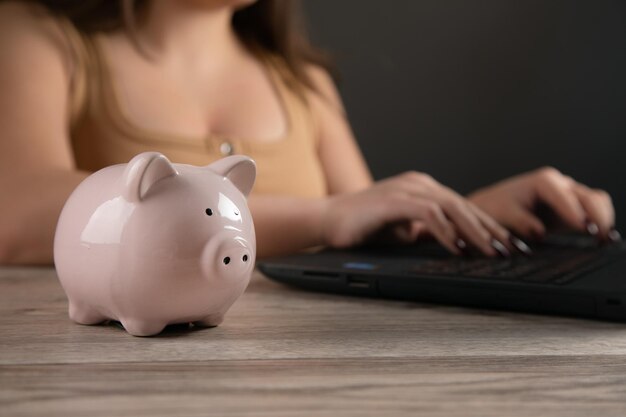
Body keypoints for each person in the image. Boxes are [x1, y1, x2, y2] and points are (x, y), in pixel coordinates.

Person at [0, 0, 618, 265]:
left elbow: (367, 223)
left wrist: (479, 216)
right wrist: (322, 218)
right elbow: (20, 212)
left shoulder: (302, 83)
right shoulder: (38, 36)